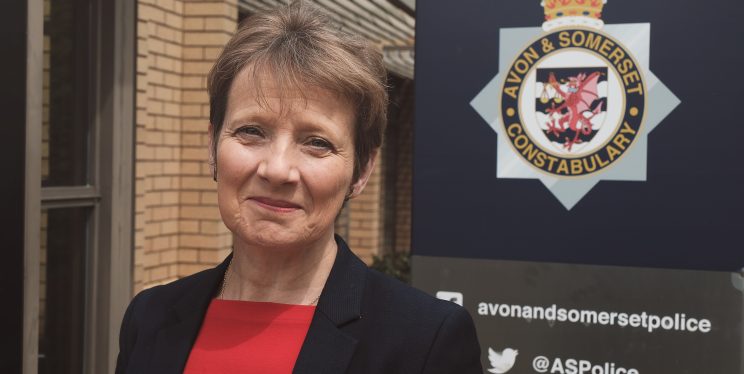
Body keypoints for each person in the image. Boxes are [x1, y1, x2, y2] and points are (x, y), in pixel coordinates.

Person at [115, 1, 482, 373]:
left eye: (317, 143)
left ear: (361, 170)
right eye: (251, 131)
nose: (277, 170)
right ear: (212, 147)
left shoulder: (425, 341)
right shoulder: (149, 318)